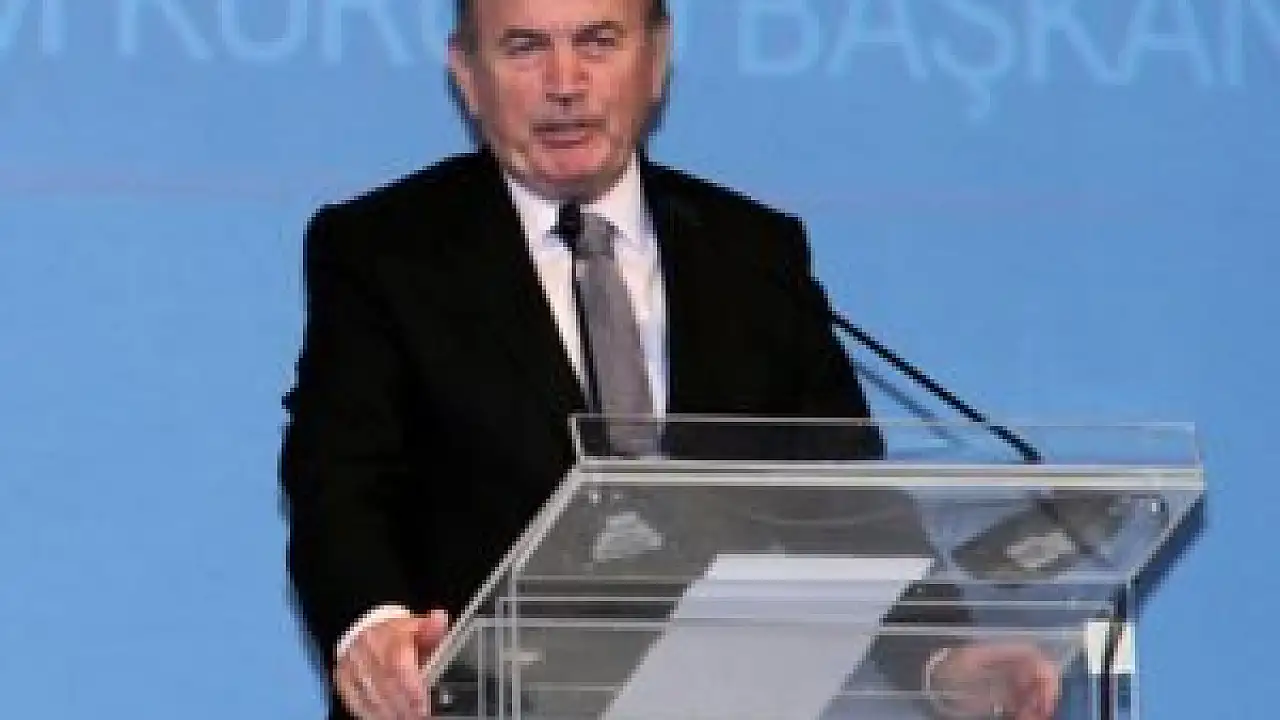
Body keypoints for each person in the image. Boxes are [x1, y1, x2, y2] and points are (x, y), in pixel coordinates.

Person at [278, 1, 1061, 719]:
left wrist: (943, 656)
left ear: (655, 61)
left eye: (598, 42)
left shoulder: (753, 252)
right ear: (466, 75)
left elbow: (843, 501)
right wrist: (374, 626)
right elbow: (336, 476)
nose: (564, 83)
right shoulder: (384, 250)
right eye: (524, 47)